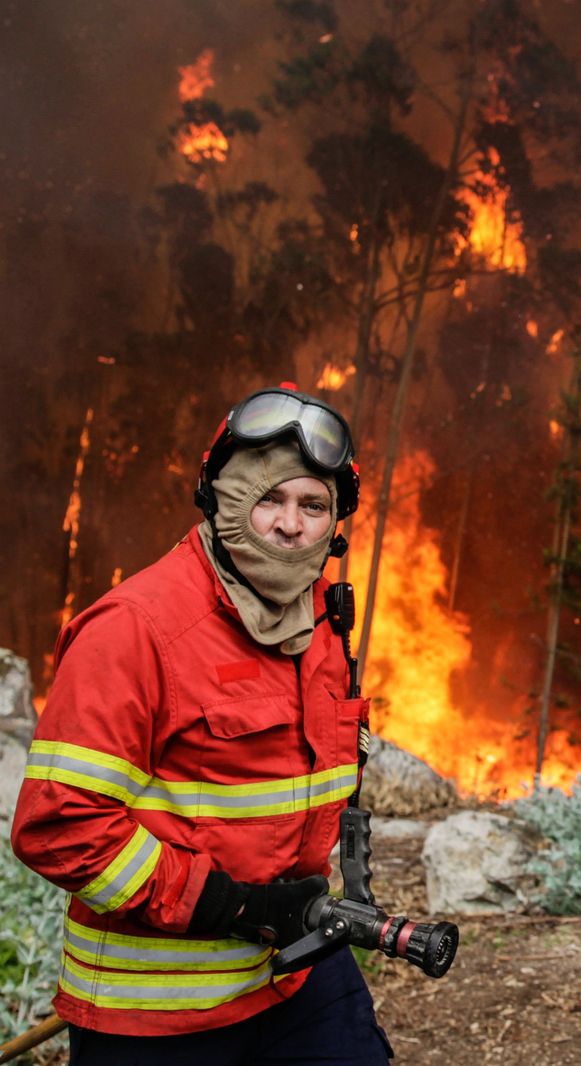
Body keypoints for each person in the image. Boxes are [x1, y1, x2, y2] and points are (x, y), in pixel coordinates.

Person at [11, 385, 393, 1064]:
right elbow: (59, 826)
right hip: (157, 1012)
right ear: (221, 502)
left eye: (312, 505)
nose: (289, 525)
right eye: (268, 500)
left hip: (296, 975)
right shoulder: (134, 631)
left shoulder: (320, 624)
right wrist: (229, 907)